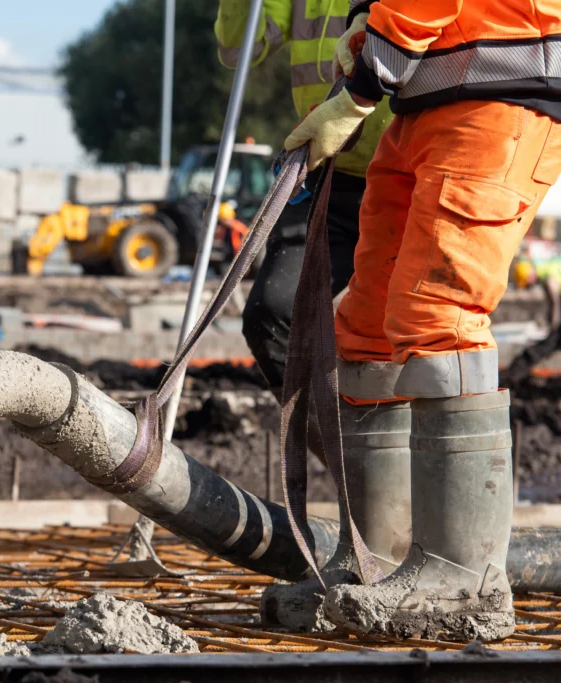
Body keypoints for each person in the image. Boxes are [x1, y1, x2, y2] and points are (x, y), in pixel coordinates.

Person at [284, 0, 561, 641]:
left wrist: (358, 92)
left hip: (498, 105)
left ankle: (462, 575)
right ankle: (373, 559)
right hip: (425, 108)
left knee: (439, 315)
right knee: (367, 325)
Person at [215, 0, 411, 633]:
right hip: (327, 166)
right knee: (271, 312)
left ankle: (418, 509)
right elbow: (235, 51)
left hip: (406, 167)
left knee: (409, 330)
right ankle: (365, 487)